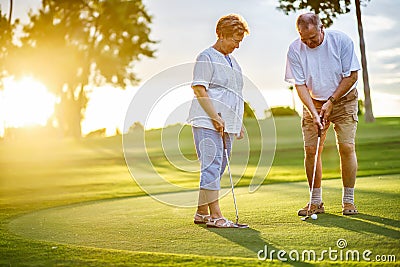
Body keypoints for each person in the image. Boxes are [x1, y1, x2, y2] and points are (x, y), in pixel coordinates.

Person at [285, 13, 361, 216]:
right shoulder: (294, 49)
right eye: (304, 39)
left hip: (344, 100)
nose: (309, 43)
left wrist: (332, 101)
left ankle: (348, 201)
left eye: (313, 38)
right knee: (311, 150)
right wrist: (313, 111)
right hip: (313, 102)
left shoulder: (341, 41)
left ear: (322, 28)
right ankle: (315, 202)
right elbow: (300, 85)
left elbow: (352, 75)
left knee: (346, 146)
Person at [187, 14, 249, 228]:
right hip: (207, 121)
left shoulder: (232, 60)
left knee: (218, 166)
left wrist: (237, 122)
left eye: (240, 42)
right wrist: (214, 116)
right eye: (234, 40)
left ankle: (201, 212)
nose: (237, 46)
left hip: (227, 124)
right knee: (211, 167)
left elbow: (234, 93)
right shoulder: (207, 56)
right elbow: (199, 88)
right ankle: (216, 216)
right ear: (221, 35)